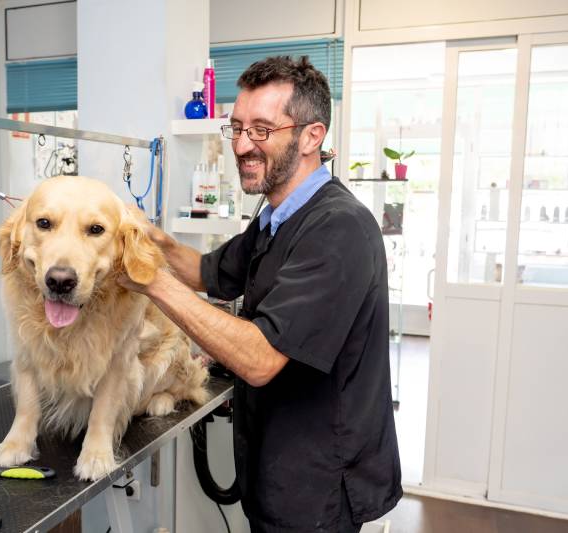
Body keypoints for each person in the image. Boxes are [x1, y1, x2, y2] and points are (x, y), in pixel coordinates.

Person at [119, 56, 402, 533]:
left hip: (321, 488)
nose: (243, 145)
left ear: (312, 136)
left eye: (262, 130)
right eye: (237, 128)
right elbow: (208, 271)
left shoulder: (338, 227)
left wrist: (149, 279)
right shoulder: (275, 218)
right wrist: (149, 239)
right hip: (275, 470)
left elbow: (259, 358)